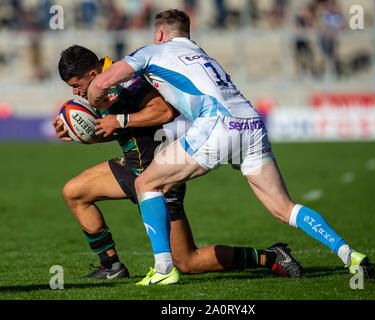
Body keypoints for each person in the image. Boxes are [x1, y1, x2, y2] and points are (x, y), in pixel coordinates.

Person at [87, 9, 375, 286]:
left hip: (216, 125)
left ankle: (164, 269)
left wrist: (96, 106)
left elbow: (102, 81)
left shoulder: (153, 51)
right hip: (251, 123)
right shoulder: (202, 53)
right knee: (284, 208)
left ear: (160, 33)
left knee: (146, 183)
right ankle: (348, 253)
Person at [53, 45, 303, 281]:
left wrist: (120, 121)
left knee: (187, 262)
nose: (75, 92)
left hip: (160, 174)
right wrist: (80, 136)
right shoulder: (104, 87)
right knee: (74, 192)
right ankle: (111, 267)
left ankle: (271, 257)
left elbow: (164, 111)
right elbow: (116, 129)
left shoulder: (125, 79)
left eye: (76, 85)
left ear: (94, 74)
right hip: (132, 167)